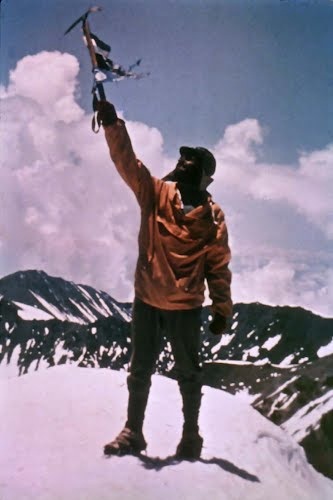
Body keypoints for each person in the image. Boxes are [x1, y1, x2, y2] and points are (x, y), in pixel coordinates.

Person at [97, 100, 232, 460]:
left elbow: (218, 266)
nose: (181, 163)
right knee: (141, 369)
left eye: (190, 162)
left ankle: (190, 437)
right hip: (154, 299)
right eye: (182, 159)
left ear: (203, 175)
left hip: (183, 306)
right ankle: (134, 432)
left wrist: (222, 308)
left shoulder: (212, 217)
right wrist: (112, 124)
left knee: (186, 374)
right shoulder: (156, 193)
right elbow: (128, 163)